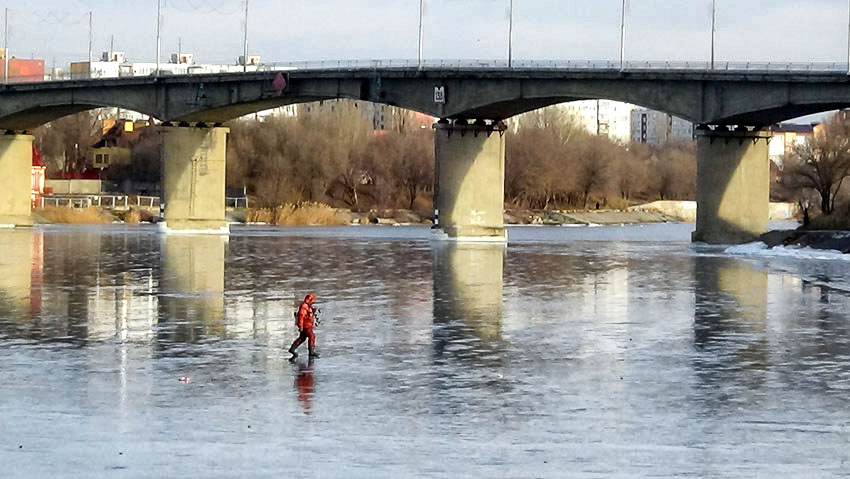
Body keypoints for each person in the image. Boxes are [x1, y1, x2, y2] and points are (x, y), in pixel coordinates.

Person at [288, 293, 319, 358]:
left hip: (308, 325)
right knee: (311, 336)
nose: (313, 301)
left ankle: (292, 349)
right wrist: (301, 326)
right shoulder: (304, 306)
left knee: (302, 338)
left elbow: (309, 314)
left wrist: (313, 311)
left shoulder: (308, 306)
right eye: (312, 300)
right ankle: (311, 352)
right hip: (306, 326)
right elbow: (301, 316)